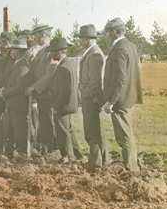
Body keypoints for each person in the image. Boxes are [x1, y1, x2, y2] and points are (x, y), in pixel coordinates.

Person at [102, 17, 143, 172]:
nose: (106, 36)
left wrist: (110, 102)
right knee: (127, 132)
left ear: (113, 33)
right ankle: (132, 165)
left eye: (107, 32)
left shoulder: (119, 49)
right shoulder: (131, 46)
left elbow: (119, 79)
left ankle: (131, 168)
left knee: (124, 135)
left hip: (120, 100)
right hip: (129, 97)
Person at [77, 24, 110, 172]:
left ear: (88, 40)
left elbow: (95, 81)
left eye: (81, 39)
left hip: (91, 98)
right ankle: (103, 160)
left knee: (91, 131)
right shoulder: (92, 53)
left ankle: (95, 164)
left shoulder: (95, 54)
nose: (79, 42)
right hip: (90, 97)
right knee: (95, 130)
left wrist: (85, 95)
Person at [47, 36, 82, 162]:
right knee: (69, 130)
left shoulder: (62, 67)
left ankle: (67, 157)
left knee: (62, 132)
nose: (50, 54)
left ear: (58, 52)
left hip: (63, 106)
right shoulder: (70, 63)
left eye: (52, 52)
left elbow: (64, 91)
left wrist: (55, 107)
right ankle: (78, 154)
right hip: (71, 103)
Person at [25, 24, 57, 155]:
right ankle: (47, 149)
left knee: (47, 123)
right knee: (44, 122)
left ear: (43, 35)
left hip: (46, 93)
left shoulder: (50, 50)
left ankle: (50, 150)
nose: (34, 37)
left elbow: (49, 74)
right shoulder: (42, 50)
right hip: (41, 93)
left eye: (36, 35)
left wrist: (35, 87)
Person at [0, 38, 32, 157]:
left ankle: (22, 153)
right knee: (8, 129)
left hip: (18, 104)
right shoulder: (17, 64)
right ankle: (9, 152)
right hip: (12, 103)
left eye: (12, 50)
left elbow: (20, 87)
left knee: (19, 130)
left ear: (18, 52)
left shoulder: (23, 66)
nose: (10, 53)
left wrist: (5, 93)